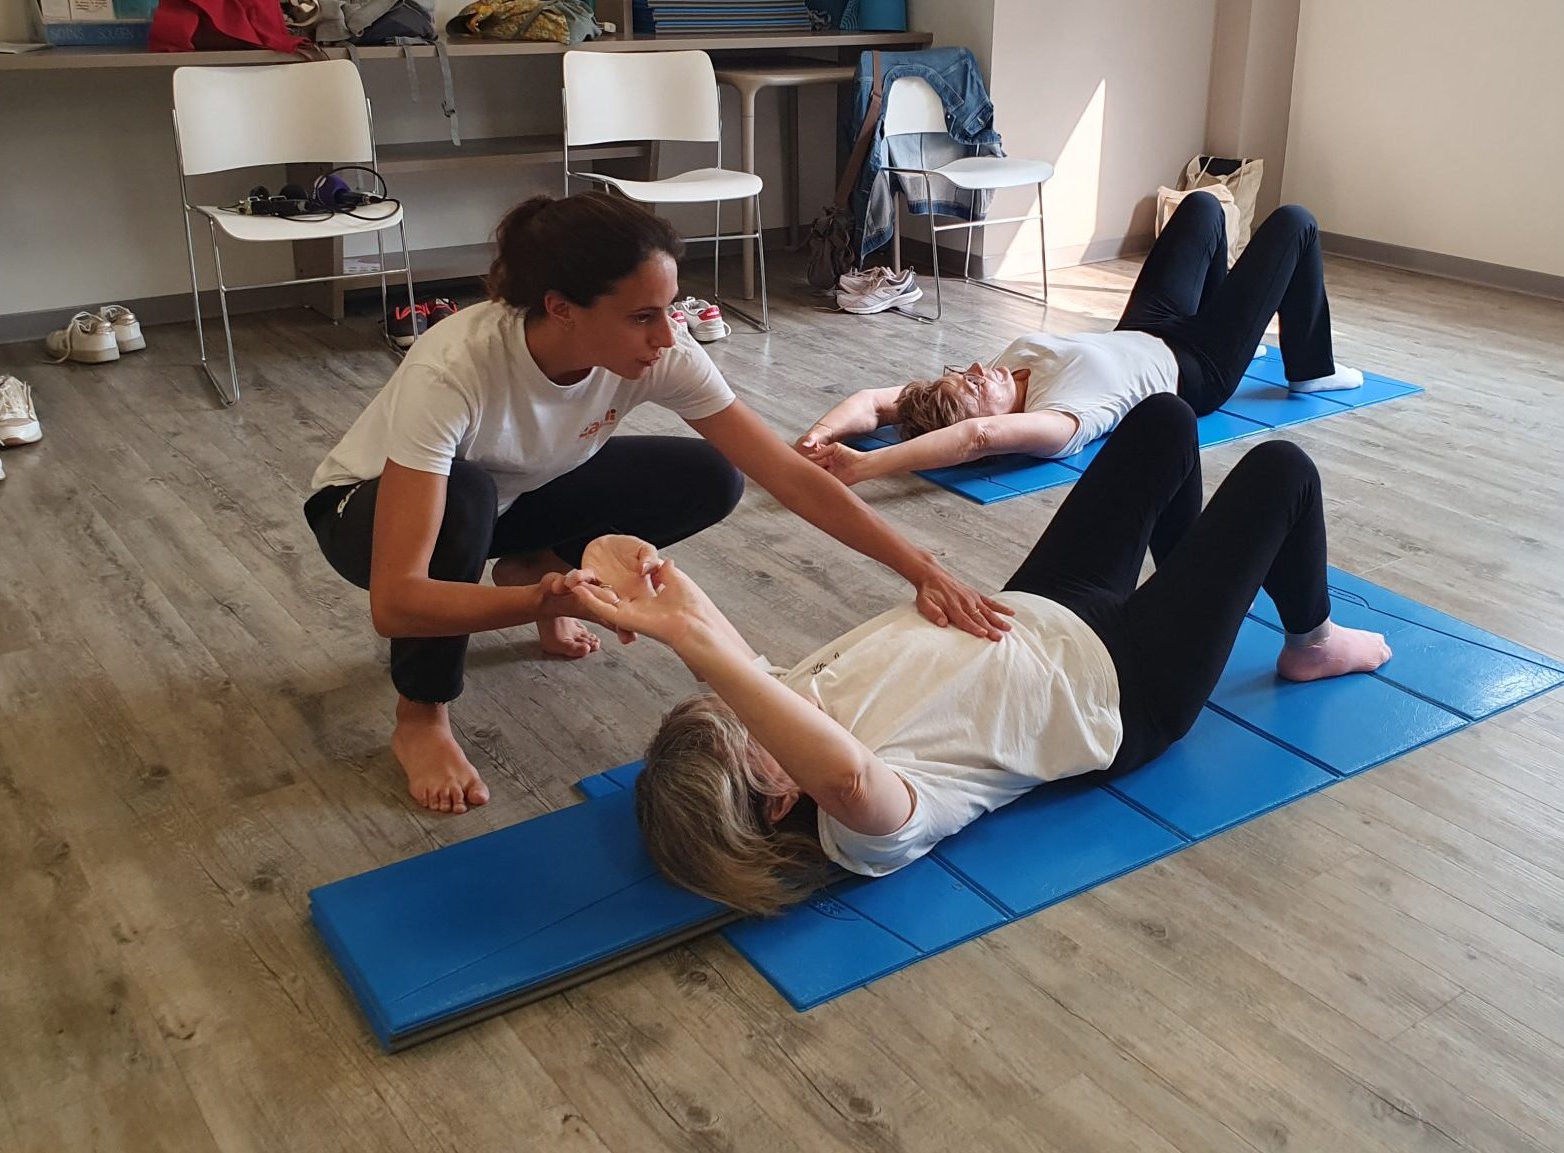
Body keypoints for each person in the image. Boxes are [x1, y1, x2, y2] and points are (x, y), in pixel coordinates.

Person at [305, 192, 1012, 816]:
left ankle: (529, 560)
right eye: (644, 316)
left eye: (671, 308)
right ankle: (420, 712)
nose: (668, 335)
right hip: (364, 517)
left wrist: (919, 567)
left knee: (709, 475)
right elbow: (396, 602)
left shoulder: (658, 349)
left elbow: (786, 474)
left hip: (514, 494)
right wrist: (551, 603)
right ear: (561, 309)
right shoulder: (454, 369)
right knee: (467, 493)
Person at [572, 394, 1393, 915]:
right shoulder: (867, 826)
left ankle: (1199, 585)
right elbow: (840, 770)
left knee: (1164, 423)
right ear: (782, 797)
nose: (755, 696)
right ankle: (1312, 639)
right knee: (1281, 470)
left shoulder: (783, 721)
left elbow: (735, 668)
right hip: (1122, 685)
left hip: (1038, 606)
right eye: (743, 726)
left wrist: (656, 588)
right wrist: (699, 649)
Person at [794, 196, 1364, 485]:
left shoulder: (999, 376)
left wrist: (817, 438)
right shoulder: (1057, 422)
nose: (976, 368)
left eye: (962, 372)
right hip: (1198, 367)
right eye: (972, 385)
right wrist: (867, 469)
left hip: (1147, 328)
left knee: (1202, 208)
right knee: (1295, 222)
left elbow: (874, 401)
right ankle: (1310, 365)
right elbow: (976, 436)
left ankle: (1231, 318)